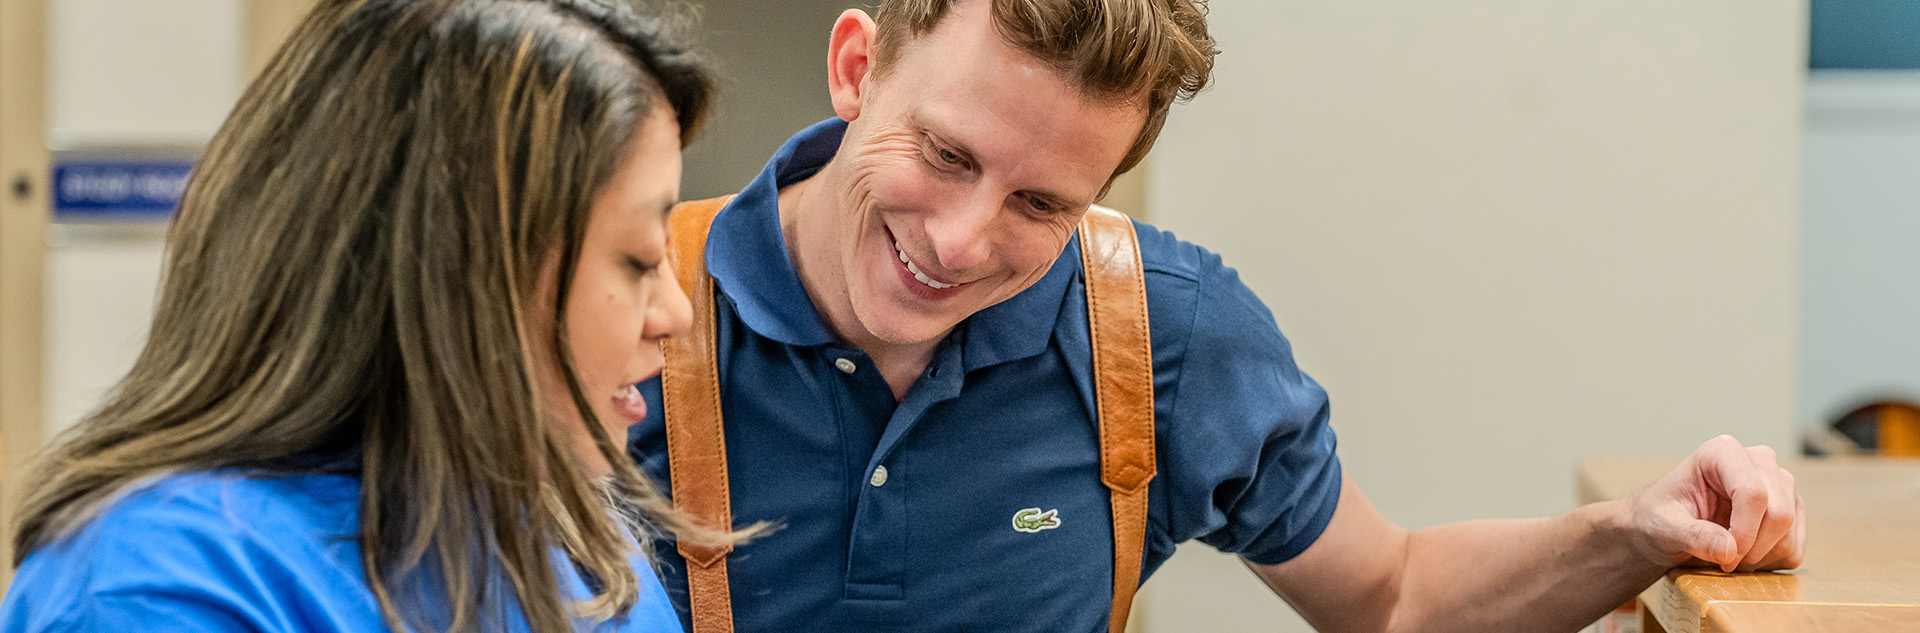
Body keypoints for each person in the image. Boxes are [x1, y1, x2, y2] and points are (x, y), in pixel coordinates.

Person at [626, 1, 1806, 632]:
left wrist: (1635, 536)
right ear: (855, 67)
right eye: (943, 152)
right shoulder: (615, 311)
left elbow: (1390, 597)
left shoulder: (1163, 333)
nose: (959, 241)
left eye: (1042, 202)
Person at [2, 1, 726, 631]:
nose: (675, 311)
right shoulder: (164, 583)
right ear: (455, 271)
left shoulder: (582, 556)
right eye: (636, 259)